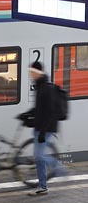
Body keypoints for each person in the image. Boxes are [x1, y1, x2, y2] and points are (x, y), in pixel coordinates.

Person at [19, 61, 64, 196]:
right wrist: (27, 114)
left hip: (47, 128)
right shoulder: (40, 86)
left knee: (39, 156)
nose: (30, 74)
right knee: (38, 158)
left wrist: (43, 132)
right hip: (40, 127)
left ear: (38, 73)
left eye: (32, 72)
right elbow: (39, 109)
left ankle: (57, 167)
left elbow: (50, 112)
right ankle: (43, 186)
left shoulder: (47, 88)